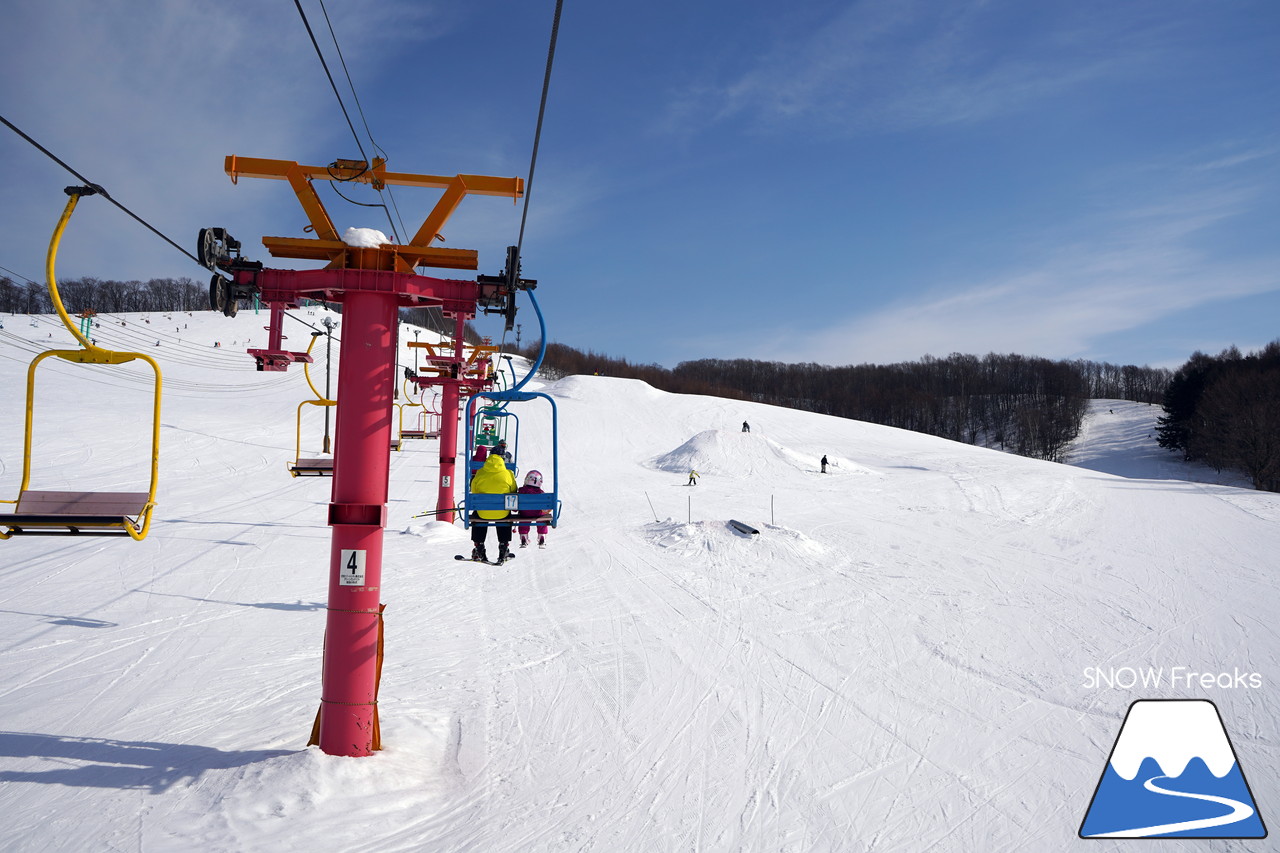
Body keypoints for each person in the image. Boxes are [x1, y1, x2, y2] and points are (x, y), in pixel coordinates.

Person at [469, 453, 517, 562]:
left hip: (483, 513)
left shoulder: (480, 473)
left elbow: (474, 491)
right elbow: (513, 492)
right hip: (502, 513)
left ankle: (479, 546)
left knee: (478, 516)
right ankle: (504, 546)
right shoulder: (508, 474)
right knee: (505, 516)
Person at [516, 470, 549, 548]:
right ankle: (542, 537)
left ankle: (524, 537)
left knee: (523, 519)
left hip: (525, 513)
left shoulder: (521, 491)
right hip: (537, 513)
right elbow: (545, 507)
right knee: (542, 519)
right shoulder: (541, 492)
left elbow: (515, 506)